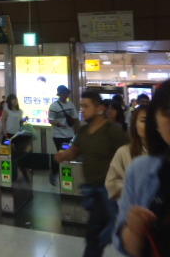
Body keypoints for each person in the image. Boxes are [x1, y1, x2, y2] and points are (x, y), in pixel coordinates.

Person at [55, 90, 129, 257]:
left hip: (108, 191)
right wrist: (63, 155)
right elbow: (75, 150)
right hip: (92, 190)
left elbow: (128, 154)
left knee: (95, 235)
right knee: (97, 233)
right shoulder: (83, 131)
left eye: (86, 106)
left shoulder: (113, 130)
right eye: (81, 106)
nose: (82, 110)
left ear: (99, 108)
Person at [114, 81, 170, 256]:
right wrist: (134, 231)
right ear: (156, 122)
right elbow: (122, 241)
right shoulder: (141, 170)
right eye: (168, 112)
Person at [106, 105, 148, 200]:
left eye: (153, 121)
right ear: (135, 124)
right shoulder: (124, 152)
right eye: (143, 121)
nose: (149, 125)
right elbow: (111, 183)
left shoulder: (164, 153)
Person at [48, 85, 79, 186]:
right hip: (58, 136)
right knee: (61, 154)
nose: (66, 95)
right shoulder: (54, 106)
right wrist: (58, 124)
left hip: (70, 134)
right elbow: (50, 120)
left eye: (67, 93)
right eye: (64, 93)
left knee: (68, 155)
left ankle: (66, 176)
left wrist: (75, 125)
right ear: (60, 94)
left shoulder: (71, 104)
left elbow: (75, 118)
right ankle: (55, 172)